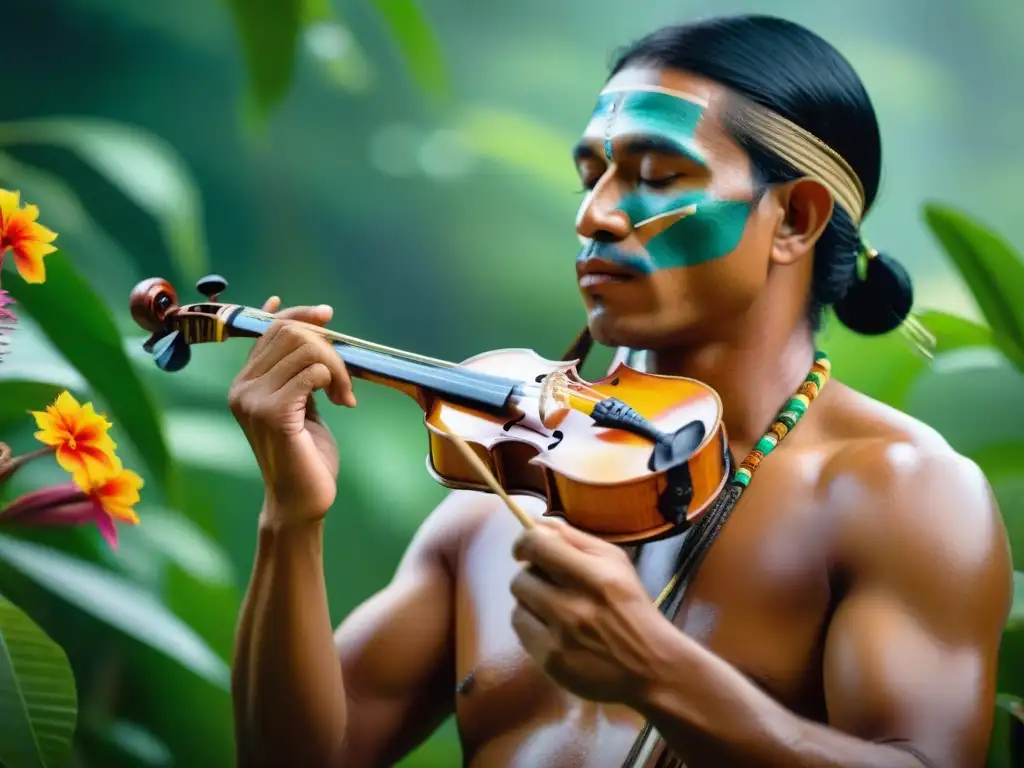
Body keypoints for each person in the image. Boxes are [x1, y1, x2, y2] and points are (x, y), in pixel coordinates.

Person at [228, 14, 1012, 768]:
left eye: (658, 176)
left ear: (796, 220)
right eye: (590, 175)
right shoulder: (501, 487)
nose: (594, 215)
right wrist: (289, 521)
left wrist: (659, 672)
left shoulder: (900, 493)